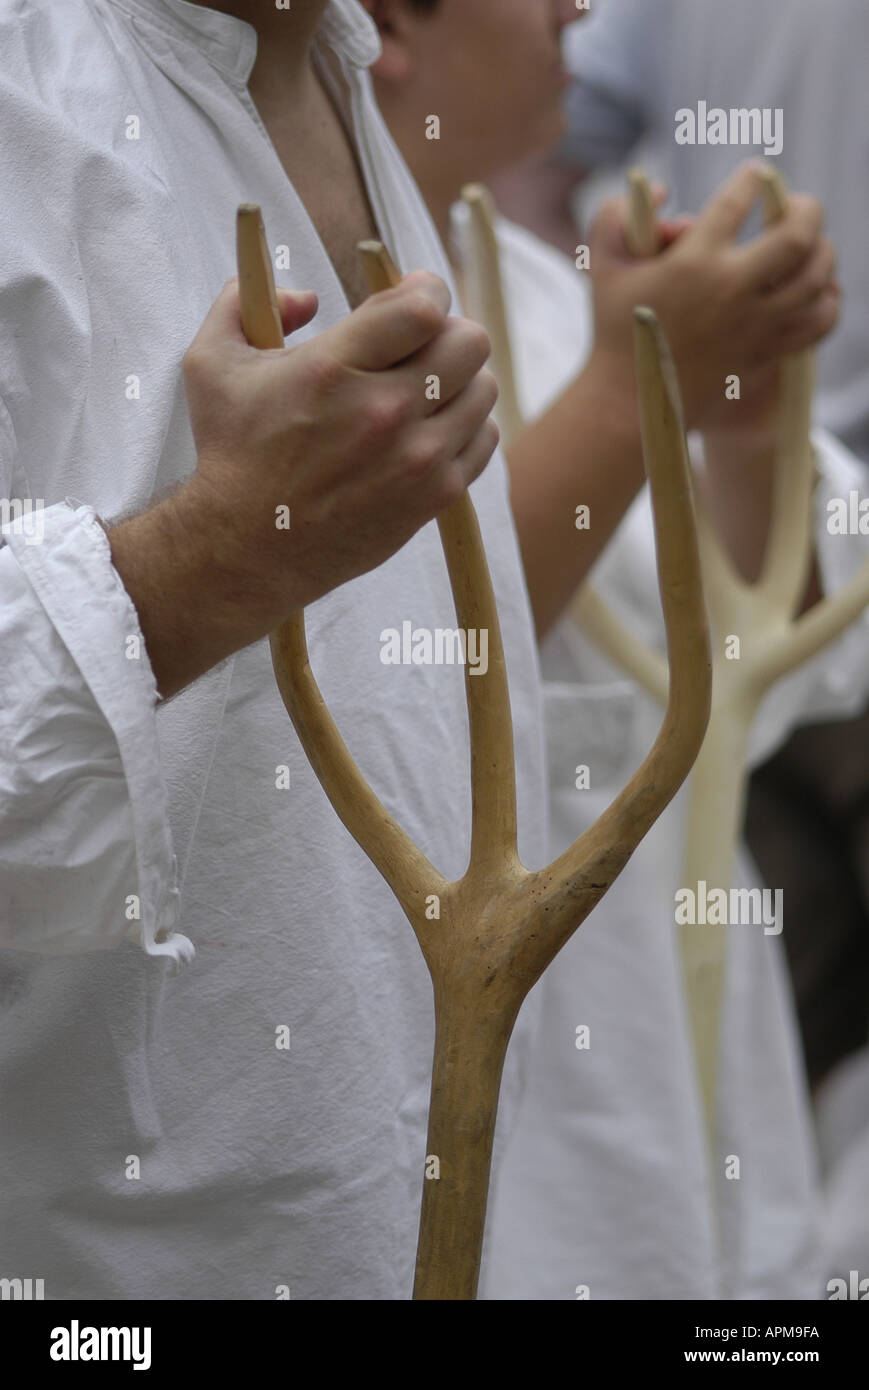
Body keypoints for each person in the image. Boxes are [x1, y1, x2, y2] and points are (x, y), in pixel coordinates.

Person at [0, 0, 846, 1301]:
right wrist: (211, 556)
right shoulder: (38, 113)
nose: (583, 10)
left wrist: (729, 411)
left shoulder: (343, 120)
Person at [363, 0, 869, 1298]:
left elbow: (773, 655)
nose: (579, 9)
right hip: (504, 1157)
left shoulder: (537, 290)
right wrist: (631, 396)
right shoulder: (309, 331)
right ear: (382, 26)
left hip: (672, 1096)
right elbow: (394, 673)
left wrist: (744, 418)